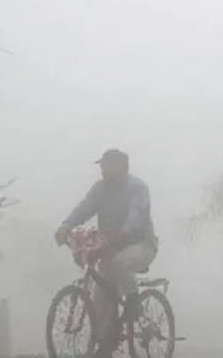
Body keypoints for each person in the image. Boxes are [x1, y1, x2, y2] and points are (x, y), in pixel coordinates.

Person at [54, 149, 158, 356]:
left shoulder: (137, 188)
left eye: (108, 166)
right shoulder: (99, 189)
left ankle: (133, 303)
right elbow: (84, 208)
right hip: (109, 249)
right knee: (99, 300)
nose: (103, 170)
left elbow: (136, 217)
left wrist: (123, 232)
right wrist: (66, 226)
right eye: (102, 166)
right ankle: (105, 344)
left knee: (120, 264)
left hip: (141, 245)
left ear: (122, 167)